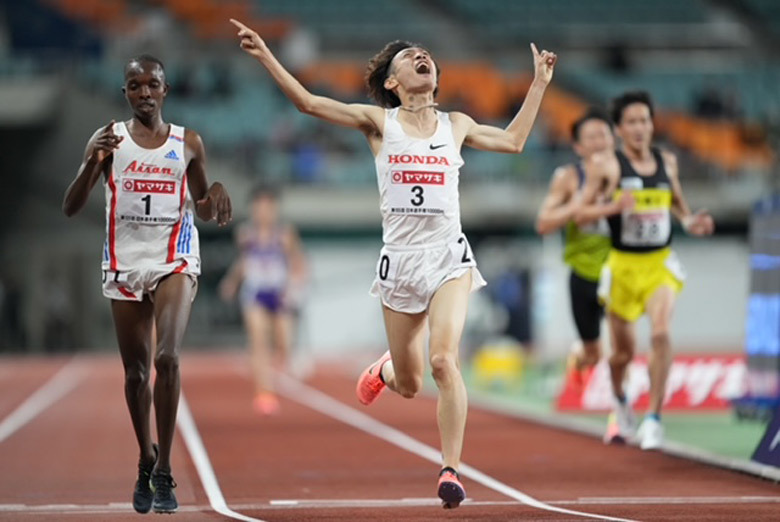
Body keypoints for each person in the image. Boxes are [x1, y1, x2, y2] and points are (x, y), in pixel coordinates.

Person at [230, 18, 556, 508]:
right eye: (409, 57)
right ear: (392, 82)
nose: (420, 57)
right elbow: (309, 103)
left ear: (436, 76)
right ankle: (386, 372)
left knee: (444, 359)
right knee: (411, 383)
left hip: (448, 256)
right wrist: (265, 55)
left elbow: (512, 142)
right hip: (400, 264)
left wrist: (538, 85)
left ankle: (450, 470)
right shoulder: (381, 123)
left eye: (426, 54)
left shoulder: (456, 125)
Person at [62, 55, 232, 514]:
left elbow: (202, 206)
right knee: (136, 374)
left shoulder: (187, 142)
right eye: (134, 85)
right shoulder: (110, 141)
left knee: (167, 357)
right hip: (123, 261)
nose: (144, 92)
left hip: (174, 256)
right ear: (125, 93)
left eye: (151, 84)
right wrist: (89, 161)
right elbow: (71, 207)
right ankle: (145, 456)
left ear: (165, 89)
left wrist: (214, 192)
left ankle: (166, 471)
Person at [575, 91, 714, 450]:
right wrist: (613, 207)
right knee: (621, 354)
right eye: (632, 122)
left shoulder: (667, 161)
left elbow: (679, 205)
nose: (640, 128)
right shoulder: (607, 165)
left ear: (653, 125)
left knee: (661, 332)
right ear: (619, 129)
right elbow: (580, 213)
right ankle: (621, 400)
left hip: (659, 264)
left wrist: (691, 221)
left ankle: (653, 417)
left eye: (645, 121)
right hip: (623, 267)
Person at [535, 108, 614, 390]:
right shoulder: (569, 178)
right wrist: (578, 206)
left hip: (619, 269)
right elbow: (544, 223)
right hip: (583, 271)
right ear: (578, 146)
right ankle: (580, 357)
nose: (599, 142)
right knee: (594, 351)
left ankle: (621, 413)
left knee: (620, 343)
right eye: (591, 137)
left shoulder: (627, 174)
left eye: (604, 135)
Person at [219, 186, 307, 415]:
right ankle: (264, 393)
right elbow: (243, 262)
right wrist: (232, 282)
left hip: (279, 293)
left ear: (275, 209)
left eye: (268, 207)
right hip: (255, 292)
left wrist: (295, 287)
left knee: (283, 344)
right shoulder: (245, 234)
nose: (263, 212)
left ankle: (279, 368)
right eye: (259, 207)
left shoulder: (285, 233)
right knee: (258, 343)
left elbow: (297, 262)